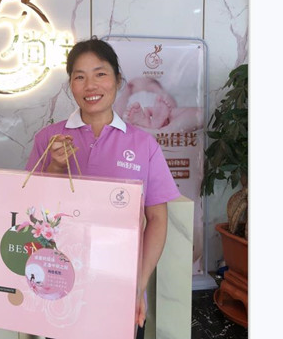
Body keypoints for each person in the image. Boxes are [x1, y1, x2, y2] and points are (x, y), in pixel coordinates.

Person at [25, 37, 180, 339]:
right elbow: (31, 213)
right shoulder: (49, 139)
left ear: (118, 80)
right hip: (58, 284)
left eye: (100, 74)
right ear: (70, 85)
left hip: (120, 287)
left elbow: (157, 219)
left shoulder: (143, 144)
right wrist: (55, 168)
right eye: (79, 77)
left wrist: (138, 284)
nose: (90, 86)